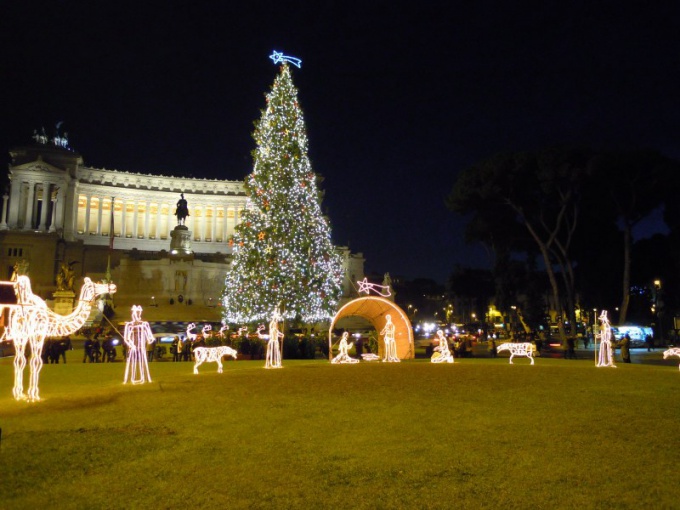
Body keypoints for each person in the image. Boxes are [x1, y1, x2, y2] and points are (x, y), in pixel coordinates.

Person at [123, 305, 154, 384]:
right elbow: (126, 338)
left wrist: (148, 339)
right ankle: (131, 378)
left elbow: (150, 338)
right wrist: (131, 344)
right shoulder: (129, 325)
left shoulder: (145, 324)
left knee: (143, 362)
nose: (137, 314)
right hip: (133, 348)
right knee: (132, 363)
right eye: (136, 312)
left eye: (139, 313)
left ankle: (145, 378)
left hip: (142, 348)